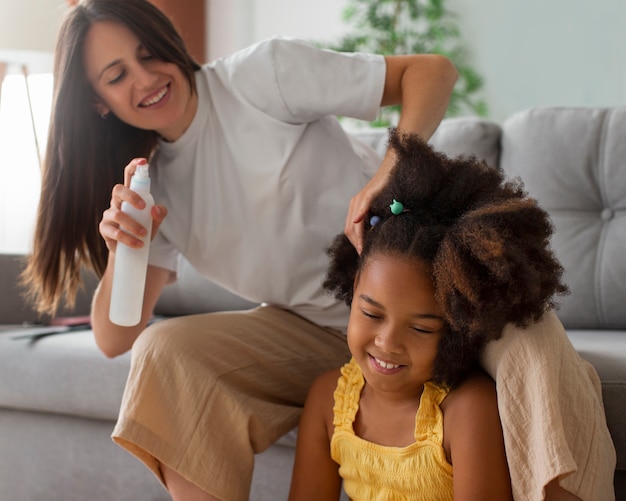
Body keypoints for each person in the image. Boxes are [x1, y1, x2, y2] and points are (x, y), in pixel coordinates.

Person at [19, 0, 615, 500]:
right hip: (324, 337)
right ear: (99, 102)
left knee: (532, 353)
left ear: (167, 41)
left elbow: (430, 71)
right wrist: (130, 247)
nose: (145, 78)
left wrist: (392, 168)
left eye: (146, 53)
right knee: (165, 352)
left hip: (435, 303)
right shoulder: (156, 184)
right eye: (117, 75)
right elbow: (115, 338)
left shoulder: (260, 75)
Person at [289, 130, 562, 500]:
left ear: (457, 327)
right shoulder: (328, 398)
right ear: (352, 292)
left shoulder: (465, 410)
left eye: (420, 328)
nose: (387, 342)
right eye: (371, 313)